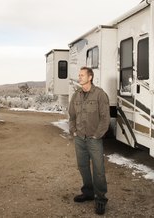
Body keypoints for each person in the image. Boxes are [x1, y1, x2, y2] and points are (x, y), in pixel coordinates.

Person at [68, 66, 110, 215]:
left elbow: (105, 118)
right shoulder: (76, 95)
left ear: (90, 77)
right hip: (79, 138)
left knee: (99, 170)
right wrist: (73, 130)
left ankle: (100, 199)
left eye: (82, 75)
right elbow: (71, 116)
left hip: (94, 139)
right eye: (79, 75)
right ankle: (88, 192)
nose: (79, 77)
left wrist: (97, 135)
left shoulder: (100, 94)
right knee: (83, 166)